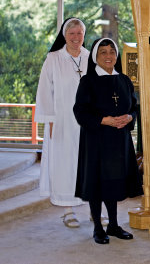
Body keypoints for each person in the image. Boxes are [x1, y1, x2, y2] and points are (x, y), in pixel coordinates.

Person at [73, 38, 143, 244]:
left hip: (119, 140)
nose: (108, 56)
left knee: (113, 182)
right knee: (97, 183)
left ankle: (113, 225)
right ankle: (98, 228)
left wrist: (130, 117)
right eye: (103, 52)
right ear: (95, 57)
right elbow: (80, 111)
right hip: (96, 140)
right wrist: (105, 120)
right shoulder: (88, 81)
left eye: (112, 51)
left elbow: (134, 106)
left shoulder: (124, 80)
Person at [35, 17, 89, 228]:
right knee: (65, 164)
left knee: (88, 164)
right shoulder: (53, 58)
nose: (76, 37)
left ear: (84, 35)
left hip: (87, 121)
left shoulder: (90, 57)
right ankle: (68, 210)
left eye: (79, 33)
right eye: (71, 33)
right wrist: (48, 119)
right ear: (64, 35)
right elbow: (44, 90)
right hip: (62, 121)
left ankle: (95, 208)